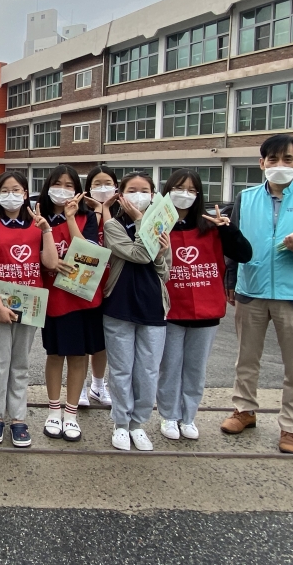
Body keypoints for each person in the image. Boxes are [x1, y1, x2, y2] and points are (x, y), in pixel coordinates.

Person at [222, 134, 293, 454]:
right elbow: (235, 244)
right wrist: (231, 278)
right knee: (246, 359)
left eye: (288, 159)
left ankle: (292, 427)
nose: (280, 165)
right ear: (262, 164)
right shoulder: (245, 198)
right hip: (252, 289)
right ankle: (244, 410)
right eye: (273, 160)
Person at [156, 169, 252, 441]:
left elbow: (245, 254)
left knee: (195, 370)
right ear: (167, 191)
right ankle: (169, 416)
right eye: (178, 188)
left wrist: (229, 229)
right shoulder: (158, 225)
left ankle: (188, 417)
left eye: (191, 190)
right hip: (170, 310)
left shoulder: (211, 227)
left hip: (206, 311)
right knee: (170, 368)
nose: (184, 194)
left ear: (198, 195)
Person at [0, 171, 58, 447]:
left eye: (17, 190)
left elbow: (51, 263)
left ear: (25, 194)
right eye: (5, 190)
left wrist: (46, 231)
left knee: (20, 364)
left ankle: (18, 419)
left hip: (30, 306)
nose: (11, 195)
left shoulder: (38, 226)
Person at [97, 171, 171, 451]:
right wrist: (143, 225)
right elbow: (139, 255)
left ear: (153, 196)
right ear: (121, 194)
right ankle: (120, 423)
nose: (139, 196)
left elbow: (165, 270)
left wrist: (161, 255)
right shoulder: (114, 226)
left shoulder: (164, 227)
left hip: (152, 306)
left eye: (145, 190)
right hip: (119, 305)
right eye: (132, 190)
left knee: (148, 370)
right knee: (121, 370)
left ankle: (138, 424)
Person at [38, 165, 103, 443]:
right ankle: (54, 410)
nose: (62, 189)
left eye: (68, 185)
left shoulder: (88, 217)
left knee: (78, 357)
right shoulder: (37, 215)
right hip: (53, 297)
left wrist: (71, 217)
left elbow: (87, 252)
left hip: (82, 297)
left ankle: (72, 413)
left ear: (77, 190)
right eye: (57, 183)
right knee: (55, 355)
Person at [76, 165, 119, 407]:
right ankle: (80, 388)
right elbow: (86, 245)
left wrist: (106, 210)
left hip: (114, 285)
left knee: (102, 342)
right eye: (97, 184)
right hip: (87, 284)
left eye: (107, 183)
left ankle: (98, 386)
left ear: (116, 186)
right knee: (85, 340)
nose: (103, 189)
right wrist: (98, 211)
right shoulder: (81, 214)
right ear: (88, 189)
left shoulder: (124, 213)